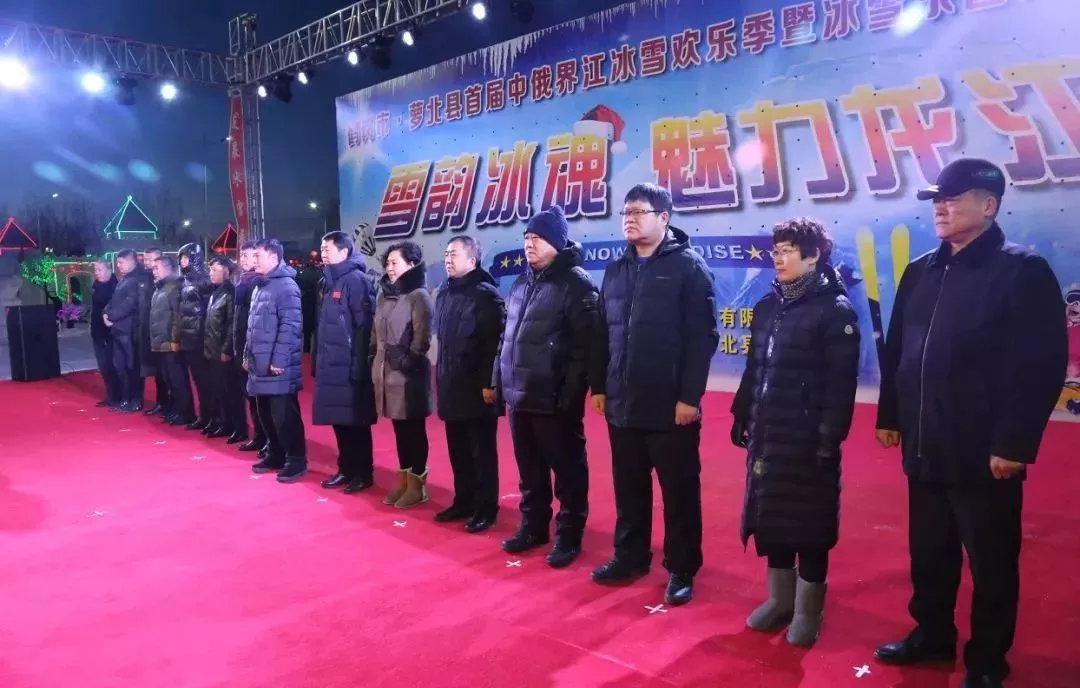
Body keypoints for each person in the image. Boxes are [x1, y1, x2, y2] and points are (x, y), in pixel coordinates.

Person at [873, 158, 1068, 688]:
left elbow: (1041, 366)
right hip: (925, 442)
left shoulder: (1021, 271)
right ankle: (932, 635)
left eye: (953, 199)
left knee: (991, 562)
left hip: (984, 452)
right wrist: (891, 414)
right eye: (937, 200)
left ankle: (987, 660)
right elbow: (899, 350)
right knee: (929, 553)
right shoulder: (921, 270)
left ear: (989, 205)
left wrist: (1014, 443)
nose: (941, 208)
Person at [730, 218, 860, 642]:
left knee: (811, 524)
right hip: (769, 434)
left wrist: (829, 438)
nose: (778, 258)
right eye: (776, 250)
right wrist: (742, 411)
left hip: (809, 439)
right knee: (773, 516)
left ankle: (808, 610)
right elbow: (755, 366)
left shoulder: (835, 311)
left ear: (813, 255)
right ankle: (780, 600)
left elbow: (841, 385)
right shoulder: (768, 306)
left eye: (787, 250)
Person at [589, 183, 719, 604]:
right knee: (629, 487)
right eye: (625, 212)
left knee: (679, 492)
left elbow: (702, 338)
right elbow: (602, 333)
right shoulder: (616, 270)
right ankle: (630, 556)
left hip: (670, 406)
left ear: (664, 218)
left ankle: (682, 567)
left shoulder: (689, 268)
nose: (629, 219)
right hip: (622, 401)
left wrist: (690, 398)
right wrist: (599, 386)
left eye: (639, 212)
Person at [494, 205, 598, 568]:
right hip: (519, 394)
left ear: (557, 242)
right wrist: (499, 381)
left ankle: (569, 535)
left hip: (554, 398)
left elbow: (585, 348)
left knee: (567, 471)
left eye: (538, 238)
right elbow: (505, 339)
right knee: (530, 470)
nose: (529, 244)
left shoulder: (577, 283)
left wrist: (570, 395)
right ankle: (533, 526)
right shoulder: (521, 283)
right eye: (526, 237)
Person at [434, 236, 506, 533]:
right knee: (458, 450)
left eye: (454, 254)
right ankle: (464, 500)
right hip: (450, 383)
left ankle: (486, 508)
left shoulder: (486, 296)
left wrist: (490, 384)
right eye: (446, 254)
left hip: (478, 389)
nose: (448, 259)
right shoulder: (444, 294)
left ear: (472, 261)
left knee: (481, 452)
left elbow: (495, 345)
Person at [313, 231, 379, 494]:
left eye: (327, 249)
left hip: (351, 365)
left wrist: (360, 365)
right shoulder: (328, 281)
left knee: (356, 421)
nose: (323, 253)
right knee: (338, 419)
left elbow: (365, 329)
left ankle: (363, 472)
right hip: (332, 363)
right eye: (322, 248)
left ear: (344, 252)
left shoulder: (356, 281)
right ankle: (346, 468)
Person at [371, 240, 434, 508]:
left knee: (413, 430)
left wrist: (407, 361)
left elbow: (422, 339)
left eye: (395, 262)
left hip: (409, 376)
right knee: (399, 430)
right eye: (387, 263)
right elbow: (376, 333)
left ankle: (417, 486)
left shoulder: (419, 296)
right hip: (386, 373)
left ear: (411, 264)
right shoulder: (384, 295)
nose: (390, 267)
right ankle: (404, 481)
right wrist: (373, 358)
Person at [243, 238, 307, 482]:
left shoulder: (287, 287)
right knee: (265, 414)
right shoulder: (261, 284)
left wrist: (279, 360)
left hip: (277, 366)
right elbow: (252, 326)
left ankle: (296, 459)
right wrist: (247, 355)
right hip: (259, 363)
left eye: (257, 256)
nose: (254, 260)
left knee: (284, 416)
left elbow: (290, 327)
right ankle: (276, 453)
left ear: (273, 257)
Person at [103, 249, 151, 413]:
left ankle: (136, 400)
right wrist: (106, 313)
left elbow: (130, 304)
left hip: (129, 330)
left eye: (121, 262)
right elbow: (114, 300)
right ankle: (126, 398)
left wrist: (110, 316)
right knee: (120, 366)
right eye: (118, 262)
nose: (118, 265)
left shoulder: (138, 279)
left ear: (132, 261)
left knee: (132, 367)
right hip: (118, 329)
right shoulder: (124, 279)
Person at [148, 255, 193, 425]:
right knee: (169, 380)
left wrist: (175, 340)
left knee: (178, 380)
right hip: (160, 342)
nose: (154, 271)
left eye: (157, 268)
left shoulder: (174, 287)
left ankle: (185, 412)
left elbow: (177, 316)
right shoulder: (160, 287)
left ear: (169, 268)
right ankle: (175, 410)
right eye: (153, 268)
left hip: (170, 342)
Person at [203, 256, 244, 439]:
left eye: (215, 270)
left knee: (231, 391)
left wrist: (226, 349)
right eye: (210, 270)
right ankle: (224, 423)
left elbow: (230, 325)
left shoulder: (230, 293)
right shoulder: (216, 292)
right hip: (212, 348)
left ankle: (238, 427)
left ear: (226, 272)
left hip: (223, 351)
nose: (211, 274)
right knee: (218, 390)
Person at [177, 242, 213, 431]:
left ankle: (212, 416)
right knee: (198, 380)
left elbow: (208, 312)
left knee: (206, 381)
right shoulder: (185, 280)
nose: (182, 262)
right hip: (188, 338)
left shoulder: (204, 281)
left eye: (186, 258)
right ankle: (205, 415)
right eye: (181, 258)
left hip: (200, 338)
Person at [232, 241, 261, 448]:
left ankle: (264, 437)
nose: (243, 259)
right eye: (241, 255)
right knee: (248, 395)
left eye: (248, 255)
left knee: (257, 397)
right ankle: (259, 436)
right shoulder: (242, 281)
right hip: (241, 343)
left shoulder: (258, 284)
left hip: (253, 347)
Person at [141, 248, 172, 417]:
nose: (147, 263)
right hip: (152, 331)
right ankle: (162, 403)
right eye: (145, 259)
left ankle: (171, 405)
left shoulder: (169, 284)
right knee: (158, 372)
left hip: (165, 334)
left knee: (168, 374)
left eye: (151, 260)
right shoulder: (147, 279)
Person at [90, 259, 120, 408]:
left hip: (110, 332)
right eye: (96, 270)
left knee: (111, 365)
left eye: (100, 270)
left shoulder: (115, 286)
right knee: (103, 366)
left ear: (109, 270)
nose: (97, 273)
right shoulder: (95, 286)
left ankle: (118, 396)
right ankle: (111, 395)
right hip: (97, 332)